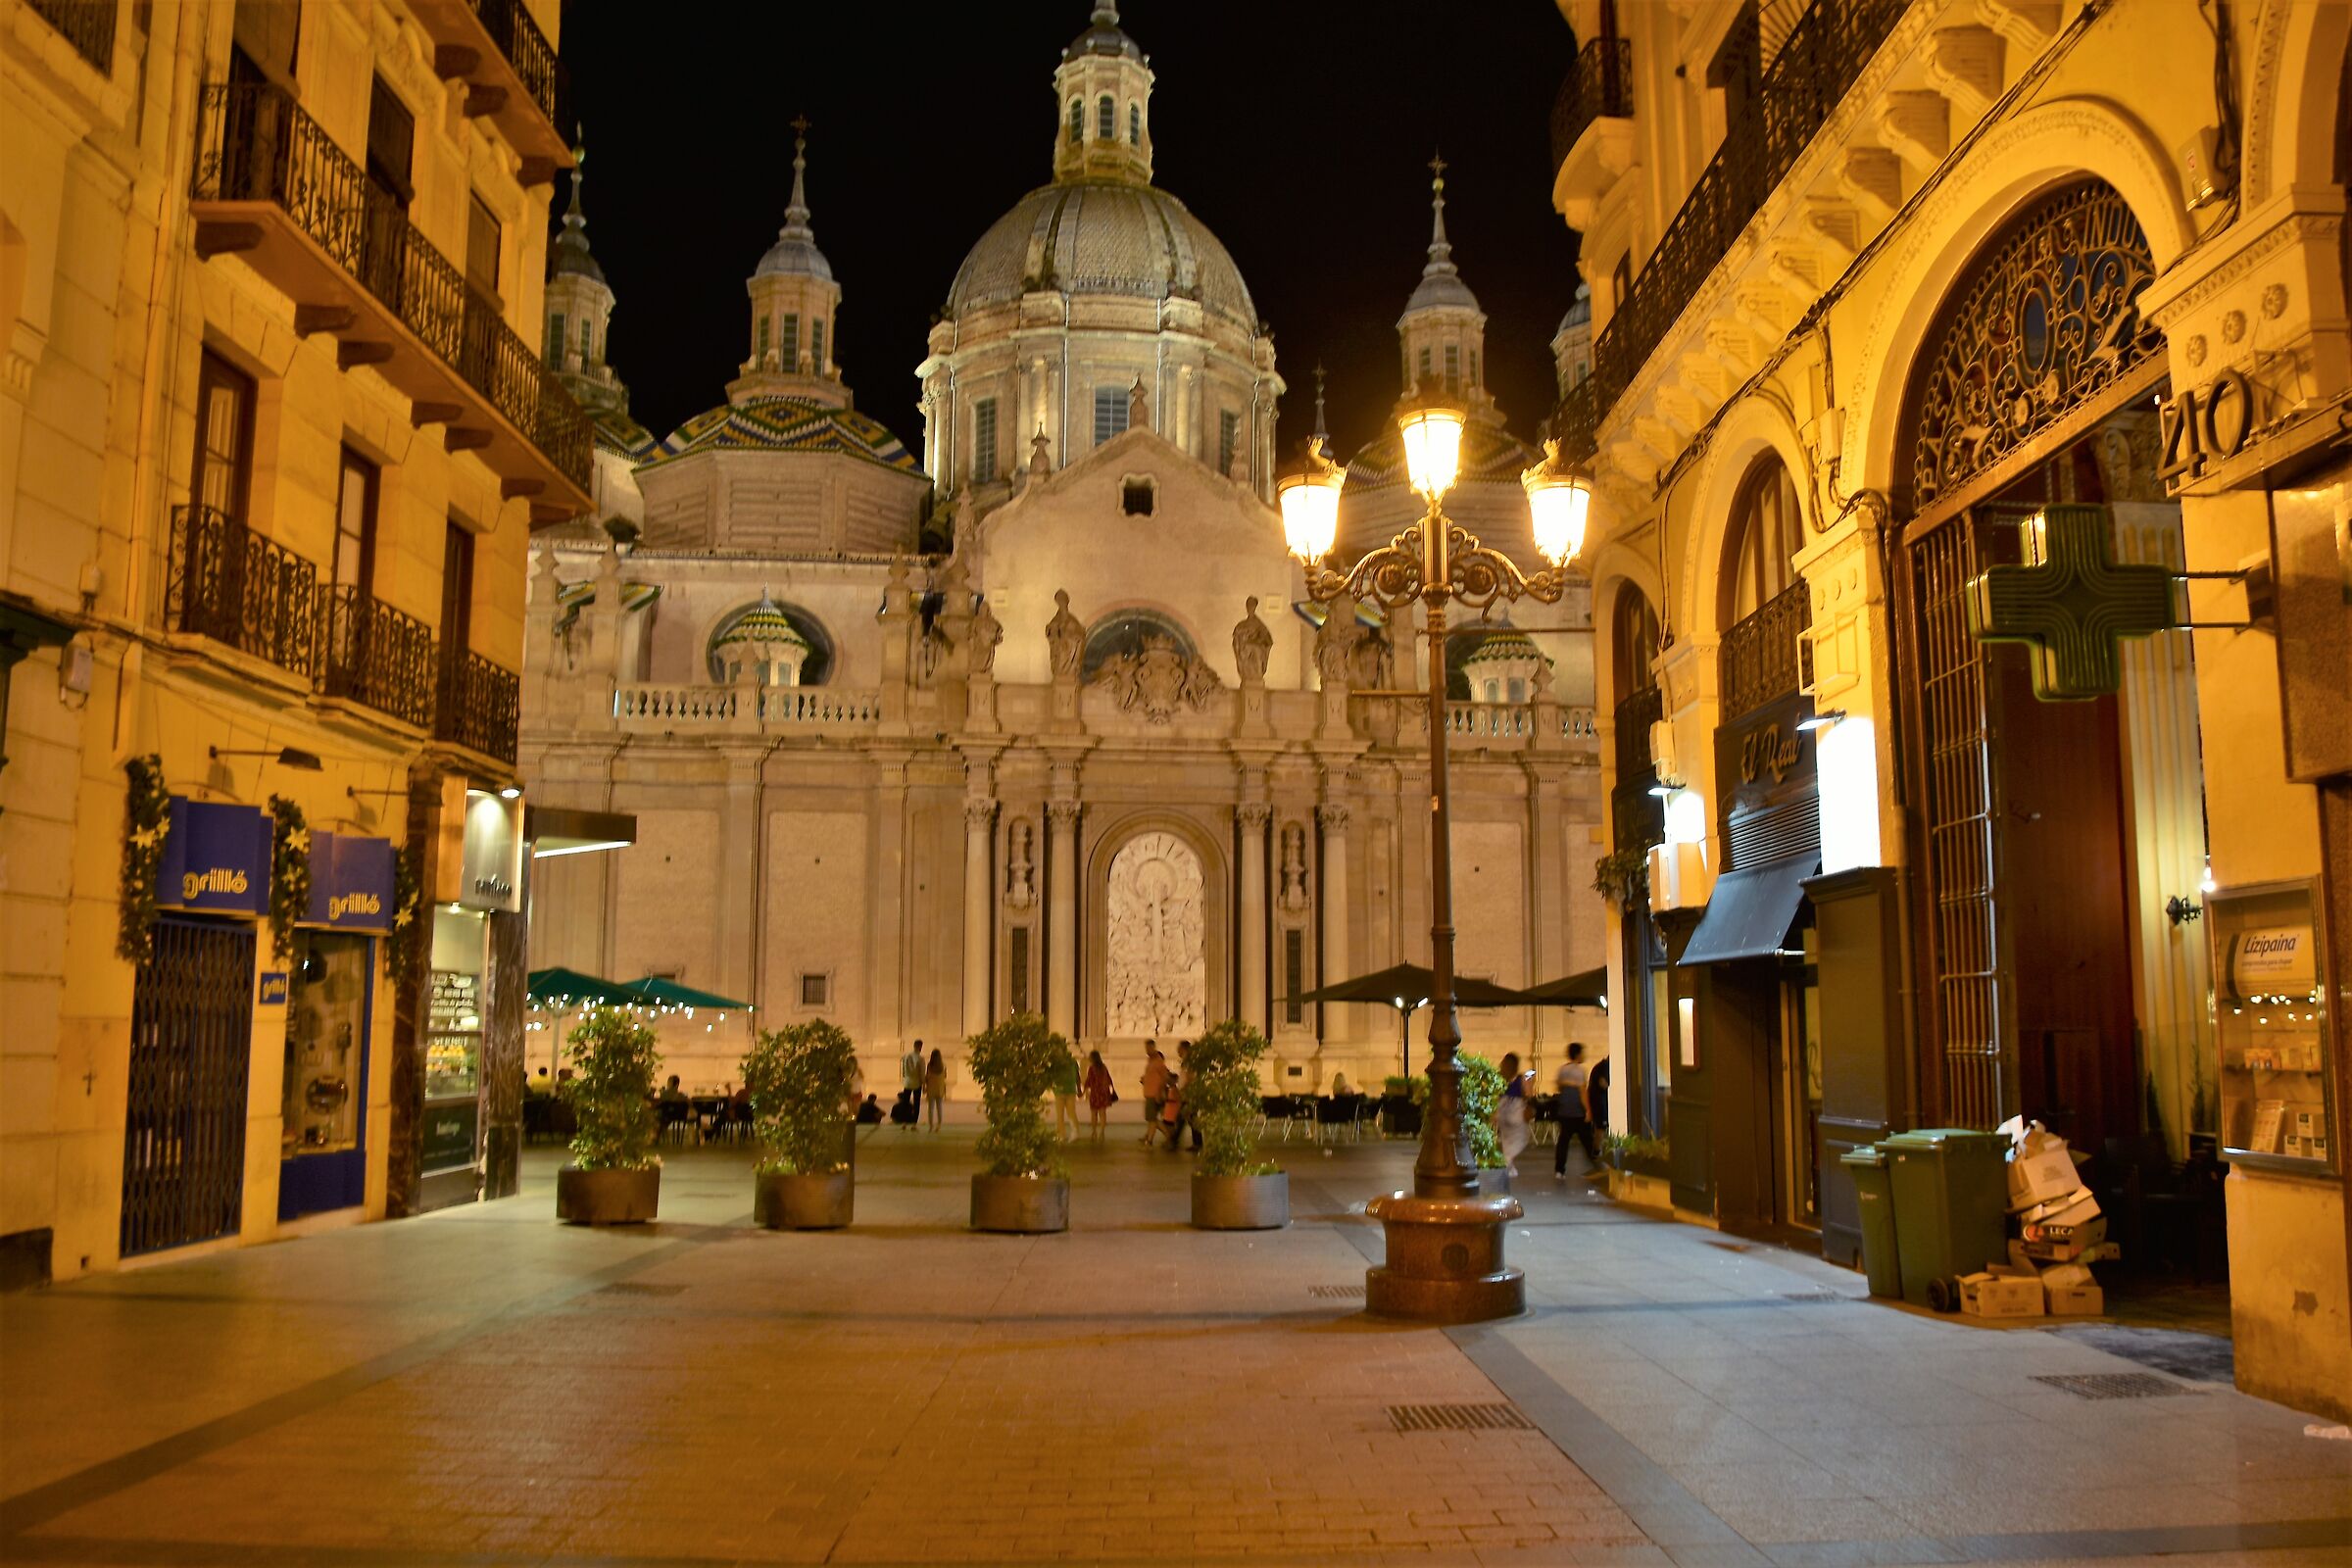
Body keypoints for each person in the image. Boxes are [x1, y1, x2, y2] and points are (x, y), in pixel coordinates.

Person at [1553, 1042, 1599, 1176]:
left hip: (1564, 1110)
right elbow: (1582, 1092)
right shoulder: (1580, 1071)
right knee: (1587, 1140)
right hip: (1577, 1110)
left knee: (1563, 1141)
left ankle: (1559, 1170)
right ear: (1578, 1054)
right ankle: (1596, 1165)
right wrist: (1588, 1111)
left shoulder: (1562, 1070)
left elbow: (1559, 1087)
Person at [1495, 1053, 1534, 1172]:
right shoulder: (1520, 1078)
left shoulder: (1500, 1078)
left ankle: (1508, 1165)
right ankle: (1507, 1162)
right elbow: (1532, 1073)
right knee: (1521, 1138)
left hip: (1502, 1111)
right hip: (1516, 1111)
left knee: (1506, 1138)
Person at [1138, 1042, 1169, 1147]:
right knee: (1152, 1118)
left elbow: (1165, 1077)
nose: (1146, 1050)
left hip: (1154, 1094)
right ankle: (1167, 1136)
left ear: (1152, 1047)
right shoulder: (1150, 1061)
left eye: (1148, 1048)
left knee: (1152, 1119)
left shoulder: (1158, 1062)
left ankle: (1151, 1140)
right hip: (1149, 1093)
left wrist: (1160, 1092)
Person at [1082, 1049, 1114, 1143]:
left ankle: (1094, 1132)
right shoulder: (1103, 1067)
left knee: (1094, 1114)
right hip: (1103, 1093)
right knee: (1103, 1114)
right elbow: (1109, 1079)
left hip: (1095, 1094)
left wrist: (1083, 1092)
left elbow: (1089, 1081)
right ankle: (1102, 1132)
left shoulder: (1092, 1068)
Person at [1051, 1045, 1080, 1143]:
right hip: (1069, 1090)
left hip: (1062, 1090)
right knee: (1070, 1113)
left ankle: (1062, 1134)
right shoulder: (1072, 1062)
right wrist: (1079, 1089)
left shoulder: (1056, 1063)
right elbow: (1077, 1076)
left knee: (1061, 1114)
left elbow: (1052, 1075)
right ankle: (1073, 1132)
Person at [900, 1039, 926, 1132]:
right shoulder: (921, 1059)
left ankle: (904, 1122)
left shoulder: (906, 1056)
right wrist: (924, 1084)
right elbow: (922, 1073)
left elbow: (903, 1070)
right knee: (916, 1104)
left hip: (907, 1082)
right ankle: (914, 1123)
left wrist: (904, 1078)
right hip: (916, 1083)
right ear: (920, 1047)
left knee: (905, 1103)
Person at [922, 1048, 947, 1132]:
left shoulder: (930, 1065)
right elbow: (944, 1078)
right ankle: (939, 1125)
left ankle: (931, 1126)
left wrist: (924, 1086)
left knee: (931, 1108)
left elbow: (927, 1076)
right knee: (939, 1107)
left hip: (931, 1089)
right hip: (939, 1089)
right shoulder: (942, 1065)